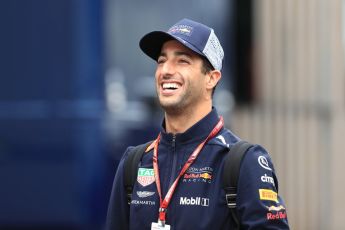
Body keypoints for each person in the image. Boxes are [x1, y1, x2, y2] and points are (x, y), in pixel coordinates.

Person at [106, 18, 289, 230]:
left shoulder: (243, 162)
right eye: (161, 61)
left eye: (182, 61)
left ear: (211, 78)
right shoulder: (134, 163)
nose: (166, 70)